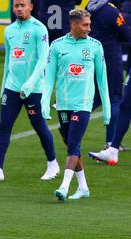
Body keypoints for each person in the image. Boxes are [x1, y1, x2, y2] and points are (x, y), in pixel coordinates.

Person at [0, 0, 59, 182]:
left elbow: (43, 58)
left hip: (34, 89)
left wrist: (30, 83)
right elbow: (9, 59)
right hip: (12, 88)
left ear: (31, 6)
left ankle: (52, 163)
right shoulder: (10, 30)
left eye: (23, 5)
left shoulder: (39, 29)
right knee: (4, 125)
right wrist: (3, 86)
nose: (19, 9)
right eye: (16, 6)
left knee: (38, 126)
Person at [42, 8, 111, 201]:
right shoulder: (57, 46)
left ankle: (63, 187)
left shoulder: (96, 46)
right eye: (85, 25)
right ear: (74, 24)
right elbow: (49, 79)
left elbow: (102, 80)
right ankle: (83, 188)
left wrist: (107, 110)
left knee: (73, 144)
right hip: (63, 105)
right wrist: (45, 104)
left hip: (83, 105)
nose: (89, 28)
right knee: (72, 145)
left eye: (90, 24)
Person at [87, 0, 131, 149]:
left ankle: (68, 125)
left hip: (93, 58)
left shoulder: (90, 7)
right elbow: (126, 33)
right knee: (115, 100)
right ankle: (112, 143)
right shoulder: (110, 10)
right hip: (110, 59)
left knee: (97, 97)